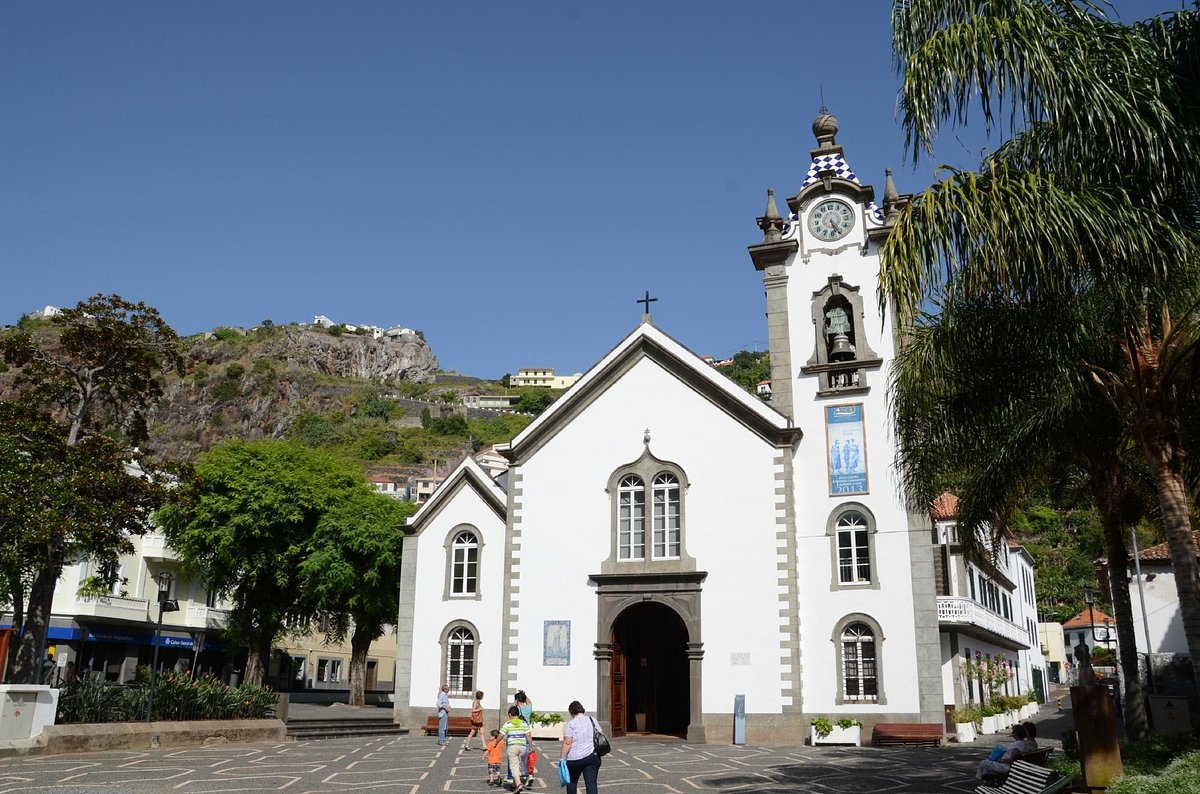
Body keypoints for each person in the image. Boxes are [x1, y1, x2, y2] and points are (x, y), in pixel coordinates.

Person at [559, 700, 601, 794]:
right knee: (591, 783)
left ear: (571, 711)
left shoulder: (571, 723)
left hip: (575, 758)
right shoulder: (592, 720)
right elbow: (600, 735)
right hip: (591, 756)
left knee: (572, 783)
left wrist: (562, 758)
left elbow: (567, 742)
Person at [500, 705, 531, 793]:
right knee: (518, 765)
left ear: (510, 714)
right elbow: (528, 735)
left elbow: (501, 734)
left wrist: (495, 743)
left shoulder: (508, 724)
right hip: (523, 747)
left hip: (512, 747)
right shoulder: (524, 723)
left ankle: (519, 784)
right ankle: (514, 784)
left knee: (514, 766)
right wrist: (531, 746)